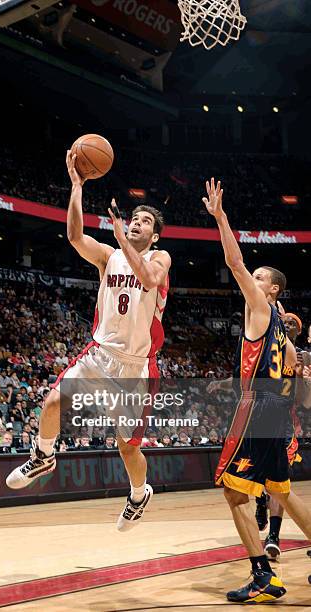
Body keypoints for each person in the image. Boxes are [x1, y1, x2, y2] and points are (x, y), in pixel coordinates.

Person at [6, 149, 171, 532]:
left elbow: (148, 279)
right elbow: (75, 235)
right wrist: (77, 186)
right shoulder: (109, 256)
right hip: (100, 353)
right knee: (51, 403)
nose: (135, 224)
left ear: (155, 235)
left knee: (127, 446)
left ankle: (138, 493)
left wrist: (121, 239)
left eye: (144, 222)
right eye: (133, 219)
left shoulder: (161, 258)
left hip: (136, 366)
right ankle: (43, 456)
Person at [203, 177, 311, 603]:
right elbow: (285, 384)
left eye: (260, 276)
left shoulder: (262, 307)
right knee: (281, 491)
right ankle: (265, 572)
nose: (253, 277)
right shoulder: (284, 335)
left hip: (259, 411)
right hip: (278, 411)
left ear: (272, 290)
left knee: (233, 491)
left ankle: (263, 577)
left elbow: (234, 263)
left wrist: (221, 217)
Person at [255, 313, 311, 559]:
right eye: (283, 321)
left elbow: (302, 400)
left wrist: (299, 375)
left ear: (298, 333)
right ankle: (259, 502)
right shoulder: (265, 347)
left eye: (292, 324)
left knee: (280, 482)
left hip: (284, 425)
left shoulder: (301, 357)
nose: (287, 325)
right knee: (257, 477)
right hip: (257, 419)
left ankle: (274, 536)